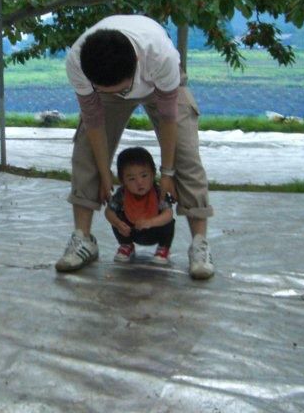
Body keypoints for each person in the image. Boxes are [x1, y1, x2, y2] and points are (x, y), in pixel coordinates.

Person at [54, 14, 214, 279]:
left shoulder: (160, 57)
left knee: (186, 155)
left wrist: (168, 173)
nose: (115, 93)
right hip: (107, 81)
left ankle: (199, 245)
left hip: (158, 85)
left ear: (136, 64)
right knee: (85, 154)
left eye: (119, 89)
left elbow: (169, 118)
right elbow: (93, 121)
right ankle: (82, 239)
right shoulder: (79, 62)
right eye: (105, 89)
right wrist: (105, 175)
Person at [105, 147, 175, 265]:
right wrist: (117, 223)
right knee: (116, 216)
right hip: (131, 232)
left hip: (155, 231)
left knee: (168, 222)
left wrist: (151, 222)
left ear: (153, 174)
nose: (139, 182)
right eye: (131, 178)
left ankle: (163, 248)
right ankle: (126, 245)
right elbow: (109, 212)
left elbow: (168, 214)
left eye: (144, 176)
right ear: (123, 181)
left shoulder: (158, 193)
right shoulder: (122, 195)